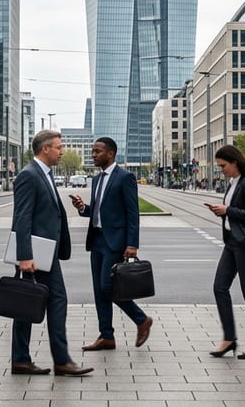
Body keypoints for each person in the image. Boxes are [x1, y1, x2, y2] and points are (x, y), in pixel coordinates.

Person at [8, 129, 92, 377]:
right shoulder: (29, 175)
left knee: (26, 304)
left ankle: (22, 359)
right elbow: (21, 218)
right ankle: (61, 360)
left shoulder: (42, 174)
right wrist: (24, 256)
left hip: (44, 252)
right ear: (45, 148)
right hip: (36, 254)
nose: (62, 151)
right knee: (54, 301)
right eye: (58, 147)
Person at [70, 137, 153, 352]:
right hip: (97, 240)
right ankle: (106, 336)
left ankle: (141, 319)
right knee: (99, 290)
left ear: (110, 153)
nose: (93, 155)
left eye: (97, 151)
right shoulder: (97, 180)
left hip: (115, 242)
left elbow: (132, 213)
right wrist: (83, 208)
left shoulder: (125, 177)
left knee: (108, 287)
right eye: (93, 151)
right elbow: (99, 211)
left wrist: (132, 244)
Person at [204, 144, 245, 361]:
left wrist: (227, 211)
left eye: (223, 165)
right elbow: (236, 213)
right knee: (219, 287)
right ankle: (229, 338)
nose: (221, 169)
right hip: (232, 242)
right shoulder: (233, 183)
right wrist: (222, 212)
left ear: (234, 162)